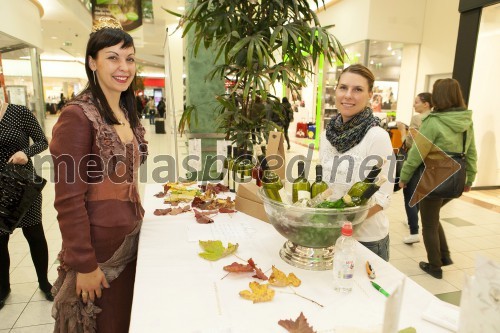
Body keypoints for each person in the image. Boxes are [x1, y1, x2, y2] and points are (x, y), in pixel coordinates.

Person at [49, 17, 147, 331]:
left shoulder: (126, 110)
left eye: (129, 58)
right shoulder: (77, 116)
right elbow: (68, 200)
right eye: (113, 57)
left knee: (125, 321)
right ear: (92, 62)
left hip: (130, 238)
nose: (124, 67)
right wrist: (84, 264)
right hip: (99, 251)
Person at [399, 78, 477, 279]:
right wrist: (470, 179)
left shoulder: (433, 122)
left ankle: (435, 266)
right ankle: (444, 256)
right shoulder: (466, 121)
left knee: (429, 224)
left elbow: (417, 153)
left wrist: (404, 176)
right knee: (433, 217)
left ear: (438, 96)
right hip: (456, 178)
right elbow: (471, 152)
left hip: (434, 177)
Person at [319, 64, 394, 261]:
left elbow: (382, 197)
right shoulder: (326, 135)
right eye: (343, 87)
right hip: (331, 235)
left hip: (367, 240)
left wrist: (344, 225)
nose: (348, 95)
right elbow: (329, 186)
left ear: (370, 95)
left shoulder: (377, 137)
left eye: (358, 89)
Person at [0, 101, 52, 310]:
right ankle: (3, 288)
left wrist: (25, 153)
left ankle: (44, 282)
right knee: (0, 239)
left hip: (21, 184)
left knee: (35, 234)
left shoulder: (19, 112)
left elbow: (42, 141)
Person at [397, 92, 433, 244]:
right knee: (418, 194)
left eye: (417, 102)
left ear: (426, 104)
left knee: (410, 196)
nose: (414, 105)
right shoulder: (434, 119)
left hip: (414, 161)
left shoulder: (417, 118)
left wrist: (402, 132)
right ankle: (411, 221)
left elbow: (412, 144)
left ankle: (414, 231)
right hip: (429, 163)